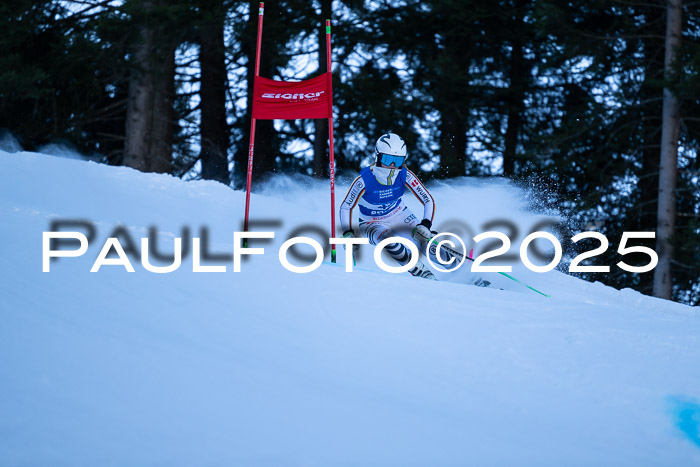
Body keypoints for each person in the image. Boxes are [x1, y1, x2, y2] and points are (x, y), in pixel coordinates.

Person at [339, 132, 438, 279]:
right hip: (371, 222)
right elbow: (346, 206)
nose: (392, 165)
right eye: (388, 159)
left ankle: (469, 275)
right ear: (377, 157)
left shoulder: (405, 175)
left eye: (397, 161)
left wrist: (425, 225)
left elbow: (428, 199)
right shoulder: (363, 180)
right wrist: (348, 233)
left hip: (399, 214)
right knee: (386, 239)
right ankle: (420, 271)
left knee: (427, 243)